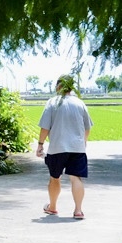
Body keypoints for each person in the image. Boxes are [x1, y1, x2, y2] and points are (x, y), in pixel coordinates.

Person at [36, 74, 93, 219]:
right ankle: (78, 210)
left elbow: (44, 128)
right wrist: (83, 141)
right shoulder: (80, 103)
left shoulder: (52, 102)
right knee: (76, 178)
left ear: (59, 86)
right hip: (77, 148)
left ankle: (53, 207)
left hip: (57, 147)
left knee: (55, 178)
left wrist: (40, 144)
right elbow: (87, 127)